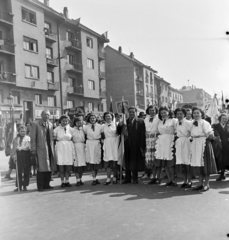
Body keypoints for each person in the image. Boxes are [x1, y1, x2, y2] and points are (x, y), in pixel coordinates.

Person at [190, 107, 218, 191]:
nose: (196, 114)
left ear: (201, 114)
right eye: (194, 113)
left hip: (204, 143)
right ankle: (200, 184)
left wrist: (214, 138)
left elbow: (209, 134)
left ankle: (207, 184)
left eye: (198, 113)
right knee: (199, 164)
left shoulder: (204, 123)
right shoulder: (191, 123)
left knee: (205, 164)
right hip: (195, 144)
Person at [119, 106, 146, 184]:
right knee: (127, 161)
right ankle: (127, 178)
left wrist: (142, 145)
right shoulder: (125, 122)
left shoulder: (140, 121)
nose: (131, 113)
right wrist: (120, 125)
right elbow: (120, 133)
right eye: (130, 112)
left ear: (136, 113)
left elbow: (142, 134)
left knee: (135, 161)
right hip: (127, 144)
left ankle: (135, 178)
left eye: (133, 112)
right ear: (127, 112)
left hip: (136, 144)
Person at [31, 110, 56, 192]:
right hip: (40, 148)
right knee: (41, 167)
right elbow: (33, 137)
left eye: (48, 115)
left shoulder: (51, 124)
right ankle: (40, 186)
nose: (47, 116)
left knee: (49, 167)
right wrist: (33, 149)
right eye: (45, 114)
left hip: (49, 147)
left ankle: (47, 184)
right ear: (41, 115)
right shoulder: (36, 124)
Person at [155, 107, 177, 186]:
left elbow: (177, 131)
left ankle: (173, 180)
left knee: (170, 163)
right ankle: (169, 179)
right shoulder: (160, 122)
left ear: (168, 112)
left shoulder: (174, 120)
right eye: (161, 113)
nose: (163, 114)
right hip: (162, 142)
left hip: (170, 141)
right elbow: (158, 131)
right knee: (164, 162)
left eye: (165, 112)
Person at [53, 115, 74, 188]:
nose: (65, 122)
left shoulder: (71, 129)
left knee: (67, 165)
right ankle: (62, 182)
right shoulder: (56, 129)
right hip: (60, 147)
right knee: (61, 165)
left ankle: (67, 181)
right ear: (60, 121)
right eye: (63, 121)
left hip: (68, 147)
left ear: (68, 121)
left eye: (66, 121)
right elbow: (54, 138)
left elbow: (73, 138)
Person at [174, 108, 192, 188]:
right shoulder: (177, 123)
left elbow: (192, 132)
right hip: (180, 143)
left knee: (187, 162)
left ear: (184, 114)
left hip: (187, 142)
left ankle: (189, 181)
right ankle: (185, 180)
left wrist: (189, 137)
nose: (179, 115)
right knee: (183, 163)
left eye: (181, 114)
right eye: (178, 114)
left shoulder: (188, 123)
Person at [84, 113, 103, 185]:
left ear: (96, 119)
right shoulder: (86, 127)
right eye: (91, 118)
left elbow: (102, 135)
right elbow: (85, 135)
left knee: (96, 160)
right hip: (89, 143)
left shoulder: (100, 126)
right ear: (89, 119)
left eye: (94, 118)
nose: (92, 119)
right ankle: (94, 178)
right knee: (91, 161)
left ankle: (96, 177)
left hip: (97, 143)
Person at [11, 125, 31, 191]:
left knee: (26, 171)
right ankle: (18, 186)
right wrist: (13, 156)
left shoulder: (28, 138)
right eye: (21, 131)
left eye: (24, 131)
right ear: (19, 131)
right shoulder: (15, 139)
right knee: (18, 171)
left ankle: (25, 185)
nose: (23, 132)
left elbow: (27, 147)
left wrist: (19, 148)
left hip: (26, 155)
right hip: (18, 156)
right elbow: (14, 148)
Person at [144, 106, 161, 184]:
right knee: (151, 161)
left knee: (157, 160)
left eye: (153, 110)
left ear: (156, 111)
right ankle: (153, 177)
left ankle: (158, 177)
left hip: (156, 140)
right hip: (148, 140)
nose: (152, 112)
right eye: (150, 110)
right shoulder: (146, 119)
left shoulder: (159, 118)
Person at [103, 112, 119, 185]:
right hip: (107, 144)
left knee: (114, 162)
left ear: (112, 117)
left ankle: (115, 177)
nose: (108, 118)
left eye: (109, 116)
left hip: (115, 143)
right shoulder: (102, 126)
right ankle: (108, 178)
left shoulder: (116, 124)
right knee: (108, 162)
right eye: (106, 116)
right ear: (104, 118)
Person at [213, 114, 229, 181]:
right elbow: (216, 134)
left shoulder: (228, 126)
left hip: (227, 145)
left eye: (226, 118)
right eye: (223, 118)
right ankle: (222, 174)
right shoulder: (216, 126)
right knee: (220, 159)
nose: (225, 120)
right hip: (219, 145)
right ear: (220, 119)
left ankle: (224, 174)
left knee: (227, 159)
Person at [72, 117, 87, 186]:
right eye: (77, 122)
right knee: (76, 164)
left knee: (81, 164)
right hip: (75, 147)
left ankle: (80, 179)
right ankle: (77, 180)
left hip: (82, 147)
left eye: (80, 122)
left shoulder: (83, 130)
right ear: (75, 123)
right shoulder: (72, 130)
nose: (79, 124)